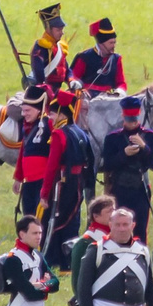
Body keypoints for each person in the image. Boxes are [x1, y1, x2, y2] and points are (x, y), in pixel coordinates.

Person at [100, 95, 153, 223]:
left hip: (140, 189)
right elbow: (107, 165)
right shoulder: (113, 138)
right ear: (123, 117)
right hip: (119, 189)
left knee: (140, 228)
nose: (132, 123)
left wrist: (144, 147)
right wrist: (123, 154)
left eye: (134, 120)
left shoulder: (150, 136)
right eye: (129, 120)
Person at [50, 92, 96, 257]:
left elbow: (52, 167)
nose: (50, 117)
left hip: (64, 182)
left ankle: (58, 258)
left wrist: (45, 192)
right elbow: (91, 161)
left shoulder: (59, 134)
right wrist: (88, 183)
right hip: (78, 182)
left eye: (52, 114)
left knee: (60, 220)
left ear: (62, 114)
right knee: (73, 218)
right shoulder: (81, 132)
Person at [12, 88, 60, 221]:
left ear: (38, 110)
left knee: (41, 219)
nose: (24, 114)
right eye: (23, 111)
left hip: (42, 181)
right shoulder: (28, 127)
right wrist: (18, 178)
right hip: (29, 183)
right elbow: (23, 153)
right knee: (28, 218)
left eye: (27, 111)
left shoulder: (49, 123)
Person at [73, 18, 127, 94]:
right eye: (110, 43)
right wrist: (77, 84)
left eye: (114, 42)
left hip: (108, 97)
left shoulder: (116, 59)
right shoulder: (84, 57)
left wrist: (119, 91)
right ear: (101, 43)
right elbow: (72, 78)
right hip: (86, 96)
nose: (114, 46)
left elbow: (121, 83)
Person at [30, 5, 71, 89]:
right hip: (43, 90)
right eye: (58, 30)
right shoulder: (41, 47)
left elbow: (66, 69)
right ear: (48, 29)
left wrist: (71, 80)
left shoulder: (59, 47)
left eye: (62, 29)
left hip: (56, 90)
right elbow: (38, 73)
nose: (62, 33)